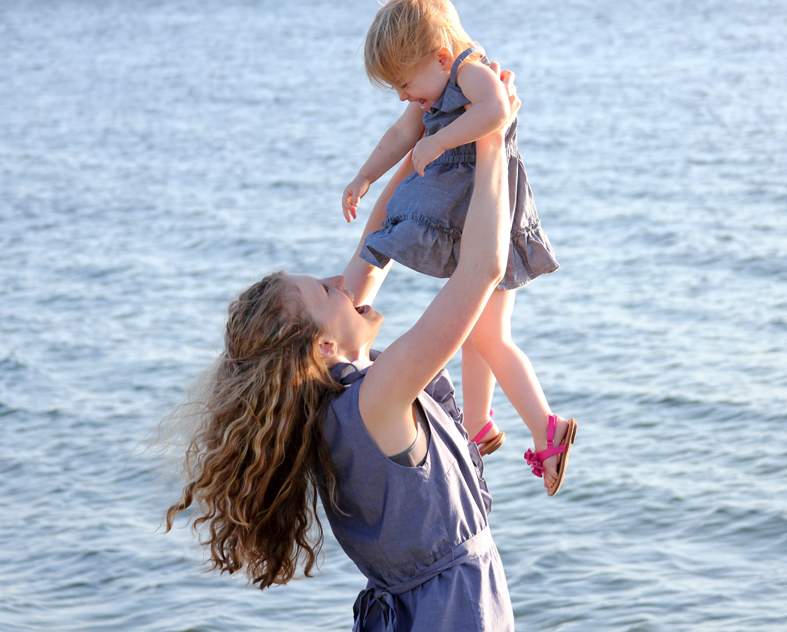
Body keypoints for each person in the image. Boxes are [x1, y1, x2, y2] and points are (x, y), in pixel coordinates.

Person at [164, 66, 523, 631]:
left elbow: (376, 242)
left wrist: (438, 135)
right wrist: (491, 139)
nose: (342, 279)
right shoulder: (376, 400)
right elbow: (482, 269)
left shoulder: (332, 401)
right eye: (327, 290)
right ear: (324, 347)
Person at [340, 0, 575, 491]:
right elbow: (401, 134)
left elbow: (497, 111)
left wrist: (439, 140)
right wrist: (364, 175)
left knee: (489, 334)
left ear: (441, 57)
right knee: (475, 326)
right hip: (467, 211)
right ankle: (479, 421)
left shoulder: (470, 71)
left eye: (406, 84)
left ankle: (546, 427)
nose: (405, 96)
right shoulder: (436, 83)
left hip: (492, 212)